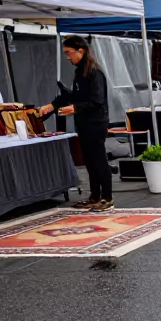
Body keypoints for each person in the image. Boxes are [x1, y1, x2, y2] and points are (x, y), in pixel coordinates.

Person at [39, 35, 112, 211]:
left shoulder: (94, 72)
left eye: (69, 53)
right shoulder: (80, 71)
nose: (67, 57)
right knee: (89, 161)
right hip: (85, 123)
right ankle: (95, 195)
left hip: (96, 123)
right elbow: (73, 95)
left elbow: (97, 100)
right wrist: (53, 105)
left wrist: (75, 108)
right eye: (65, 53)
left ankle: (107, 197)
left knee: (99, 160)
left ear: (81, 50)